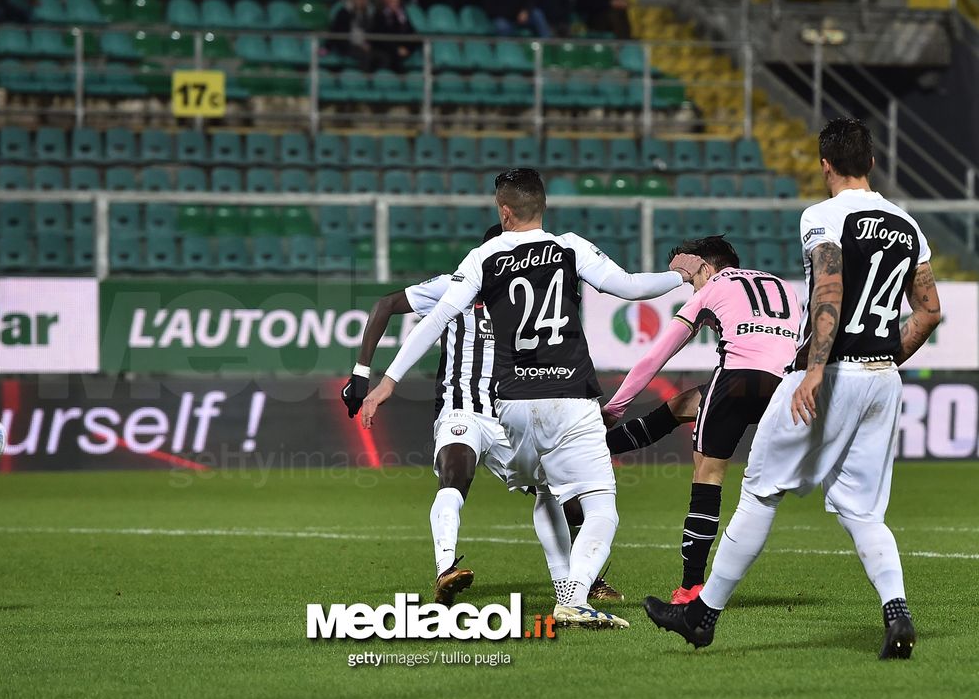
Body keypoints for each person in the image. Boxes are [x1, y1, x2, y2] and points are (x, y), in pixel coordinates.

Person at [644, 118, 942, 660]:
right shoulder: (908, 226)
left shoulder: (824, 216)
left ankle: (702, 616)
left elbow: (829, 288)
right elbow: (929, 312)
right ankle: (897, 612)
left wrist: (817, 369)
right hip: (882, 379)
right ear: (872, 164)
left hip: (831, 373)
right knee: (863, 511)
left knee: (760, 489)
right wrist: (883, 359)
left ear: (825, 164)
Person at [359, 168, 704, 628]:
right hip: (569, 395)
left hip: (513, 405)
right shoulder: (569, 247)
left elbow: (437, 318)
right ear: (542, 206)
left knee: (545, 486)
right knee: (600, 505)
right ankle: (575, 597)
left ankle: (565, 591)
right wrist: (680, 276)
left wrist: (388, 381)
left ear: (504, 210)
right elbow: (629, 288)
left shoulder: (484, 257)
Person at [342, 225, 623, 606]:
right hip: (463, 409)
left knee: (560, 496)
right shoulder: (458, 283)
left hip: (514, 415)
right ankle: (445, 570)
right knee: (456, 474)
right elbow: (386, 304)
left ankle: (573, 588)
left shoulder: (534, 295)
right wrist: (362, 372)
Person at [601, 235, 800, 604]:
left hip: (737, 377)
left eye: (689, 278)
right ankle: (598, 450)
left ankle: (691, 586)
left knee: (707, 477)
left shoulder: (713, 289)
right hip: (786, 386)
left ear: (706, 268)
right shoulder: (783, 285)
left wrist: (614, 409)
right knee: (683, 404)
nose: (689, 286)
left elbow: (654, 357)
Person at [329, 0, 376, 70]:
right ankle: (363, 78)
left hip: (364, 44)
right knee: (366, 55)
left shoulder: (368, 15)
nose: (359, 1)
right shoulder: (343, 13)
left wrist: (366, 43)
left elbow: (371, 31)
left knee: (381, 56)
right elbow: (336, 30)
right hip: (347, 44)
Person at [481, 0, 551, 38]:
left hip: (520, 16)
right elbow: (491, 7)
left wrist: (526, 11)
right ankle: (508, 52)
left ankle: (548, 46)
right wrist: (511, 15)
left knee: (537, 14)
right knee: (502, 26)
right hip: (503, 17)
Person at [370, 0, 416, 73]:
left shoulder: (403, 15)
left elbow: (412, 32)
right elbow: (380, 37)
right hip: (386, 50)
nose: (393, 1)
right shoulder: (379, 15)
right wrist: (396, 49)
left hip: (403, 49)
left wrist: (407, 48)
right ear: (385, 1)